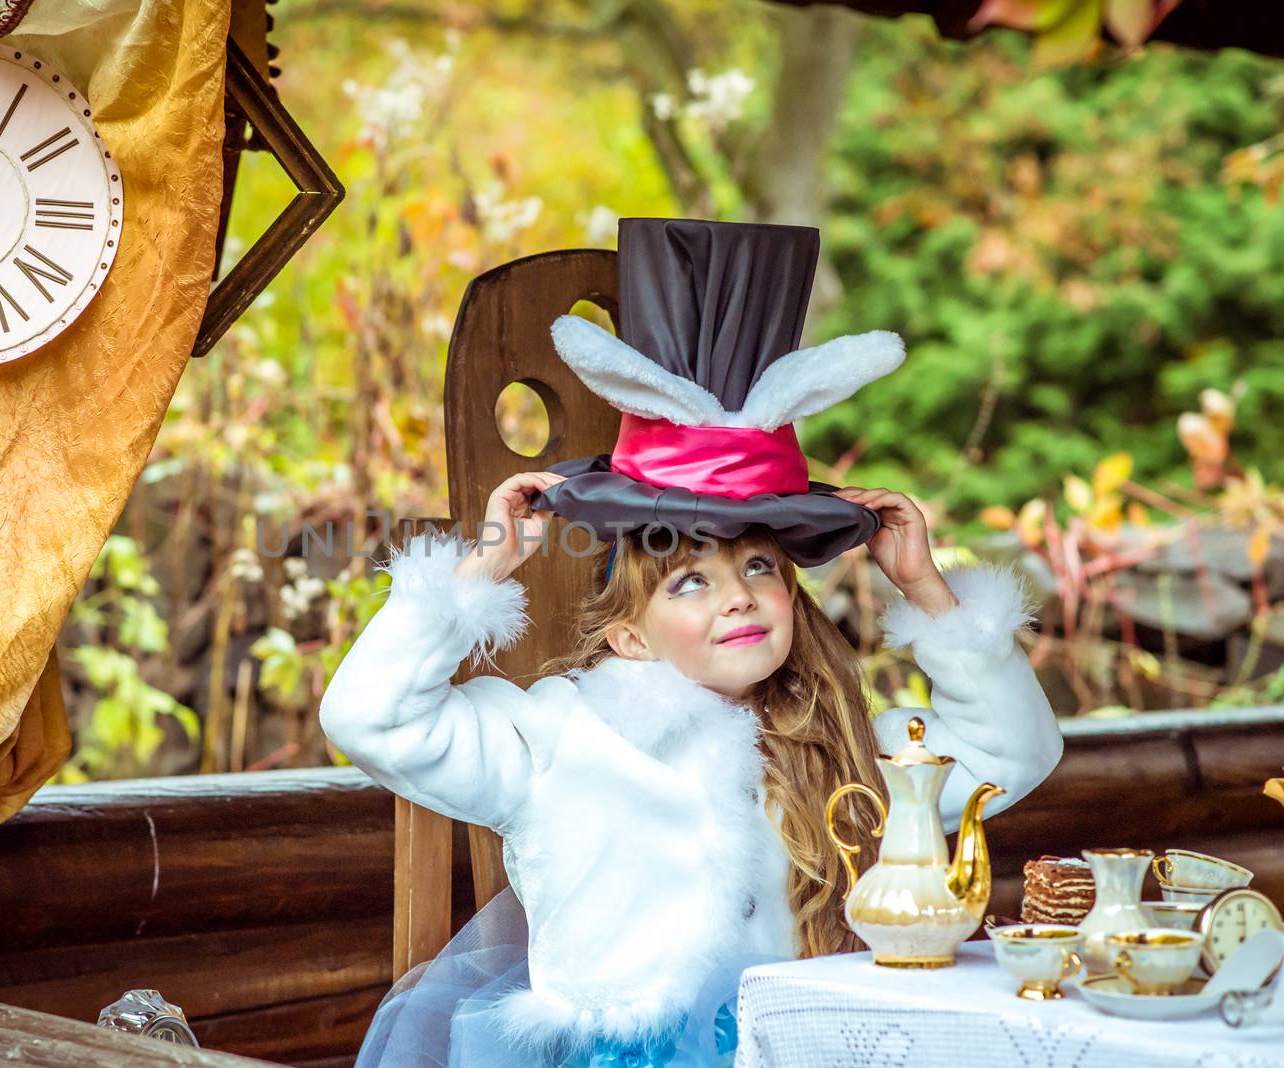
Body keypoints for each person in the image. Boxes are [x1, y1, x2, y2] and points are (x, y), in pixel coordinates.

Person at [319, 219, 1064, 1067]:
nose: (740, 597)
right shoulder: (555, 737)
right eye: (690, 581)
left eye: (759, 566)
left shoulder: (856, 748)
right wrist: (484, 569)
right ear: (629, 635)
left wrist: (927, 590)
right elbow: (368, 719)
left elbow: (1018, 751)